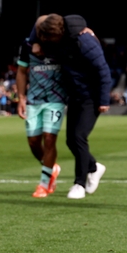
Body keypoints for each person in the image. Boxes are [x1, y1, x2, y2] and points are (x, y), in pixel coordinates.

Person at [21, 14, 112, 199]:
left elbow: (103, 70)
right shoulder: (56, 35)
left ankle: (79, 183)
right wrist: (33, 41)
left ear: (57, 34)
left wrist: (104, 100)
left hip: (91, 96)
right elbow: (41, 21)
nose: (44, 41)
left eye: (46, 38)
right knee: (71, 140)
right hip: (75, 94)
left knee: (78, 137)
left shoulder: (85, 41)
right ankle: (94, 167)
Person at [16, 39, 68, 198]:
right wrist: (21, 97)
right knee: (33, 141)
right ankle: (52, 168)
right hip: (34, 100)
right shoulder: (27, 45)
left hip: (56, 99)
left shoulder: (61, 44)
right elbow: (21, 71)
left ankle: (44, 184)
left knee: (50, 138)